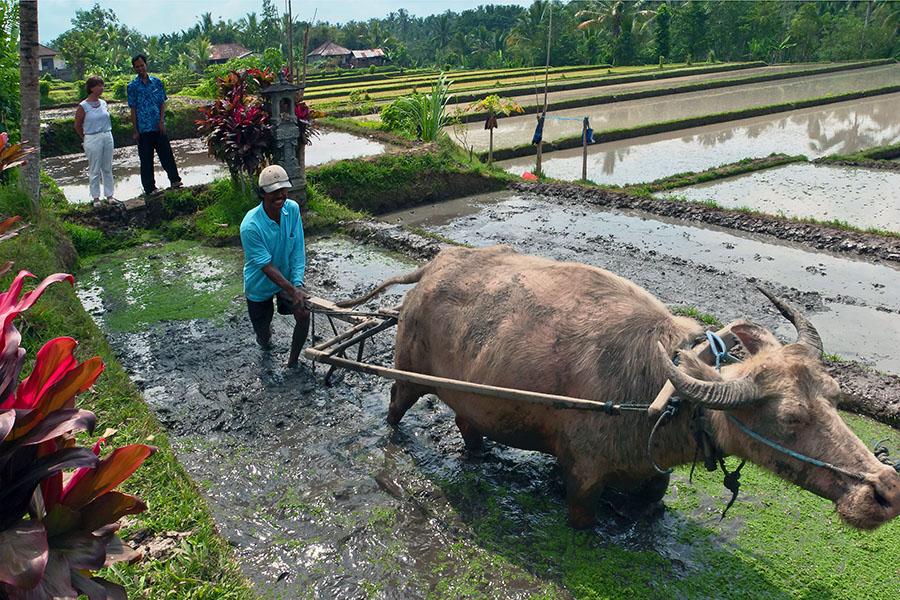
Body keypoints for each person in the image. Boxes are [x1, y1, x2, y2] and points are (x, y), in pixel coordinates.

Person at [240, 165, 310, 368]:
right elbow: (266, 266)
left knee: (304, 313)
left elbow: (297, 249)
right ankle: (265, 345)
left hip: (287, 279)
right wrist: (292, 289)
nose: (280, 195)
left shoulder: (292, 209)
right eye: (273, 191)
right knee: (263, 333)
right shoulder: (251, 226)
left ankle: (292, 362)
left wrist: (296, 285)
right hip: (259, 284)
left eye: (283, 190)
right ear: (262, 193)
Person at [126, 54, 182, 196]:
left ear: (146, 65)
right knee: (146, 160)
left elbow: (162, 103)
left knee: (166, 155)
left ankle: (175, 181)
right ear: (134, 69)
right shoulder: (132, 87)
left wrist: (162, 121)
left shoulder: (157, 82)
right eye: (137, 66)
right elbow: (133, 109)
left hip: (158, 126)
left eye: (142, 65)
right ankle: (150, 188)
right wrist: (135, 130)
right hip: (143, 129)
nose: (140, 68)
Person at [74, 76, 115, 206]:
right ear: (91, 88)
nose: (101, 88)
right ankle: (96, 197)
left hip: (107, 135)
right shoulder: (83, 106)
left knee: (107, 167)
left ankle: (109, 195)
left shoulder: (103, 103)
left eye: (102, 85)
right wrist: (85, 138)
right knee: (95, 168)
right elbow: (77, 125)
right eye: (99, 85)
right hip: (92, 137)